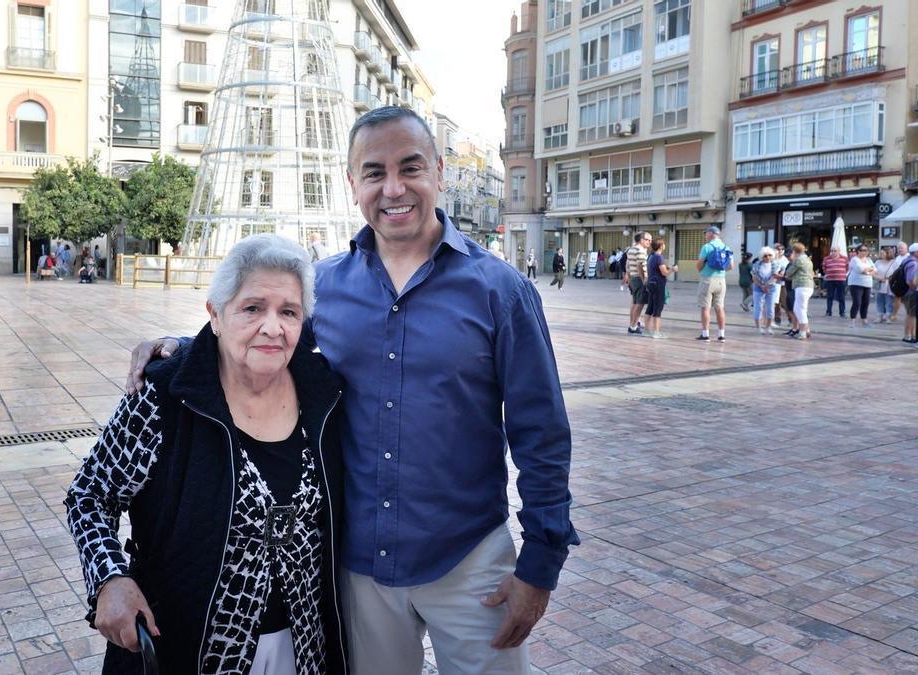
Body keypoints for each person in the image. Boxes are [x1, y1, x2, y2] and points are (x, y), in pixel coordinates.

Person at [126, 106, 578, 675]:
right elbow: (268, 344)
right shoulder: (328, 287)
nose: (394, 188)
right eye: (374, 172)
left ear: (439, 171)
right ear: (352, 184)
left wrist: (540, 564)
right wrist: (182, 346)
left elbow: (541, 433)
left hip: (468, 560)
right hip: (359, 567)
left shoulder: (500, 290)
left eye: (410, 167)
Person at [66, 235, 347, 674]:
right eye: (252, 308)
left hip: (302, 648)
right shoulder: (166, 394)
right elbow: (90, 494)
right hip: (188, 649)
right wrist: (109, 578)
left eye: (288, 312)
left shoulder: (323, 394)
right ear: (215, 315)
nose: (272, 327)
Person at [695, 226, 732, 342]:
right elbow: (731, 266)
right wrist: (720, 270)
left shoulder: (707, 247)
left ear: (711, 234)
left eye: (706, 233)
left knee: (705, 308)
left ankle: (705, 334)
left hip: (707, 279)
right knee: (720, 307)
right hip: (721, 281)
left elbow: (699, 265)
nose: (705, 236)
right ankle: (721, 335)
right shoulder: (727, 247)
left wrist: (703, 269)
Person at [644, 238, 676, 339]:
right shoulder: (659, 257)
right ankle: (656, 332)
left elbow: (657, 268)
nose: (664, 246)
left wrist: (666, 267)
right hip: (658, 284)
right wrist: (672, 269)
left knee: (650, 307)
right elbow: (664, 273)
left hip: (651, 283)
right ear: (661, 246)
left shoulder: (651, 256)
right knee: (658, 308)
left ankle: (647, 330)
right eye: (664, 244)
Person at [786, 242, 815, 340]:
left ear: (794, 251)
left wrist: (793, 259)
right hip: (809, 286)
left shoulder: (798, 260)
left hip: (801, 286)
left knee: (799, 310)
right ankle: (806, 330)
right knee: (802, 309)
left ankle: (803, 333)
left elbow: (789, 273)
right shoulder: (807, 259)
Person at [624, 232, 651, 335]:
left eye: (650, 240)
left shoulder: (631, 249)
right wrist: (644, 279)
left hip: (633, 278)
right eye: (648, 240)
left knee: (635, 303)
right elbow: (641, 266)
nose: (649, 242)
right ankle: (633, 327)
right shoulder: (640, 250)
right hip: (640, 279)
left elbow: (628, 265)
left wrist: (628, 276)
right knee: (640, 304)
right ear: (642, 239)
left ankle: (633, 325)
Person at [846, 244, 874, 328]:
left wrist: (868, 271)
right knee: (857, 302)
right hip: (856, 283)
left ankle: (864, 320)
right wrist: (868, 270)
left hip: (867, 283)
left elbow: (875, 270)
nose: (864, 252)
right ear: (858, 251)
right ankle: (852, 321)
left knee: (866, 302)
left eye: (866, 250)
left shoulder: (868, 260)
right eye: (862, 250)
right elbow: (861, 269)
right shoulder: (854, 259)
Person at [751, 247, 777, 335]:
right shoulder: (757, 264)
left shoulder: (775, 265)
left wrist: (767, 285)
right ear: (762, 256)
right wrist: (761, 285)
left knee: (770, 308)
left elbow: (775, 277)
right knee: (758, 307)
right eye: (765, 255)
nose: (768, 257)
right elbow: (754, 277)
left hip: (771, 287)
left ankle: (768, 327)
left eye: (770, 255)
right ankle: (758, 327)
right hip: (758, 287)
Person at [873, 245, 901, 323]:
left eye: (883, 253)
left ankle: (888, 317)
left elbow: (898, 273)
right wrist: (878, 278)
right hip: (879, 284)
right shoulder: (877, 262)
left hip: (889, 285)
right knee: (879, 300)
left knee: (889, 301)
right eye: (880, 253)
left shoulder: (894, 262)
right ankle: (880, 316)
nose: (881, 255)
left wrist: (890, 278)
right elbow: (873, 272)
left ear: (888, 254)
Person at [822, 245, 848, 318]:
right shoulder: (826, 259)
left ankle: (842, 312)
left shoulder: (845, 258)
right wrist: (829, 273)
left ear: (839, 251)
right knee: (829, 296)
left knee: (841, 297)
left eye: (835, 251)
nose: (833, 252)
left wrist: (840, 273)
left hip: (841, 280)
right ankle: (828, 312)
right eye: (832, 251)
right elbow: (824, 268)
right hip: (830, 280)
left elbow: (847, 268)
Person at [902, 243, 918, 344]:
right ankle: (909, 336)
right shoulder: (914, 264)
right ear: (916, 253)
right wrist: (915, 289)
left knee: (910, 314)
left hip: (907, 292)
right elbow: (910, 281)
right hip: (912, 292)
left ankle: (909, 335)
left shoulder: (906, 261)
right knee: (912, 315)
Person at [772, 242, 789, 326]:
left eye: (782, 249)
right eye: (778, 249)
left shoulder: (784, 260)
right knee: (776, 303)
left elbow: (784, 273)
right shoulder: (773, 259)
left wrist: (778, 274)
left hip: (782, 284)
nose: (781, 251)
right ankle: (777, 319)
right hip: (774, 284)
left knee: (784, 302)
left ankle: (791, 319)